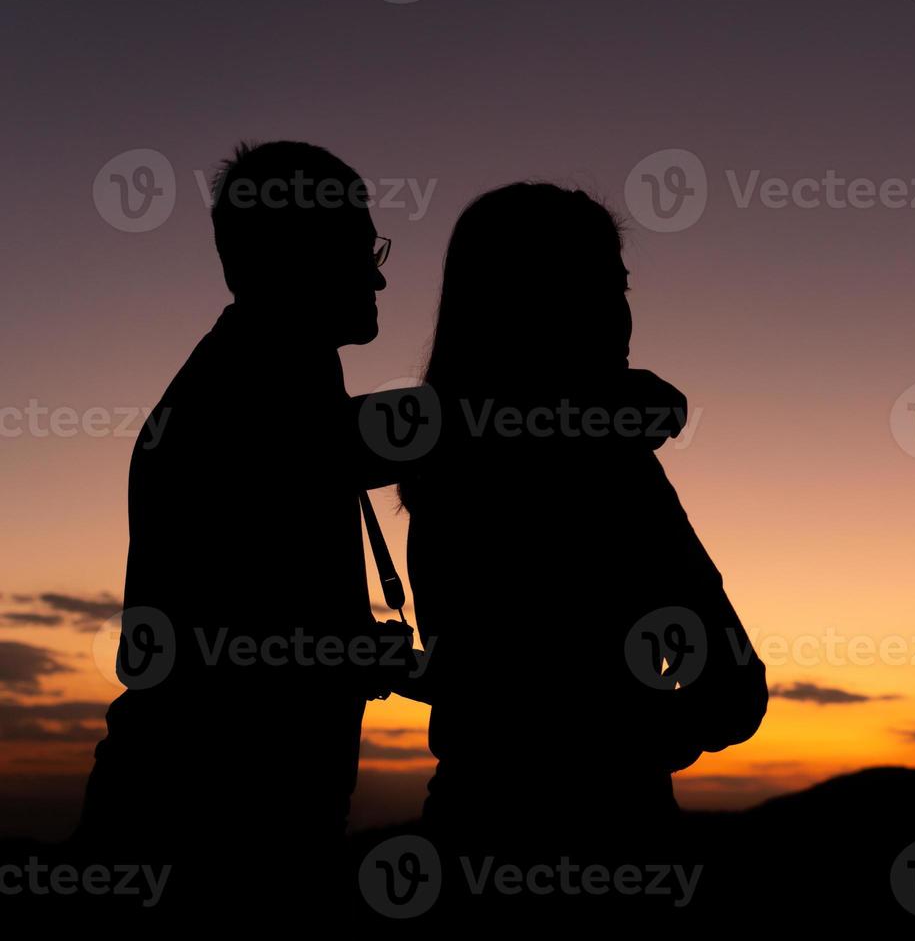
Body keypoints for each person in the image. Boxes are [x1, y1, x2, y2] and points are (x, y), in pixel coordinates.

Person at [397, 184, 767, 873]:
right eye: (592, 287)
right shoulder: (614, 470)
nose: (620, 317)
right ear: (530, 304)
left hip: (467, 832)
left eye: (619, 286)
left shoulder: (438, 461)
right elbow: (735, 689)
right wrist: (629, 741)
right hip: (613, 839)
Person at [76, 140, 407, 910]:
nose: (378, 272)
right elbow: (395, 431)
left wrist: (361, 654)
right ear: (298, 254)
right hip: (212, 846)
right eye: (361, 247)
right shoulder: (243, 394)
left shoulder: (256, 380)